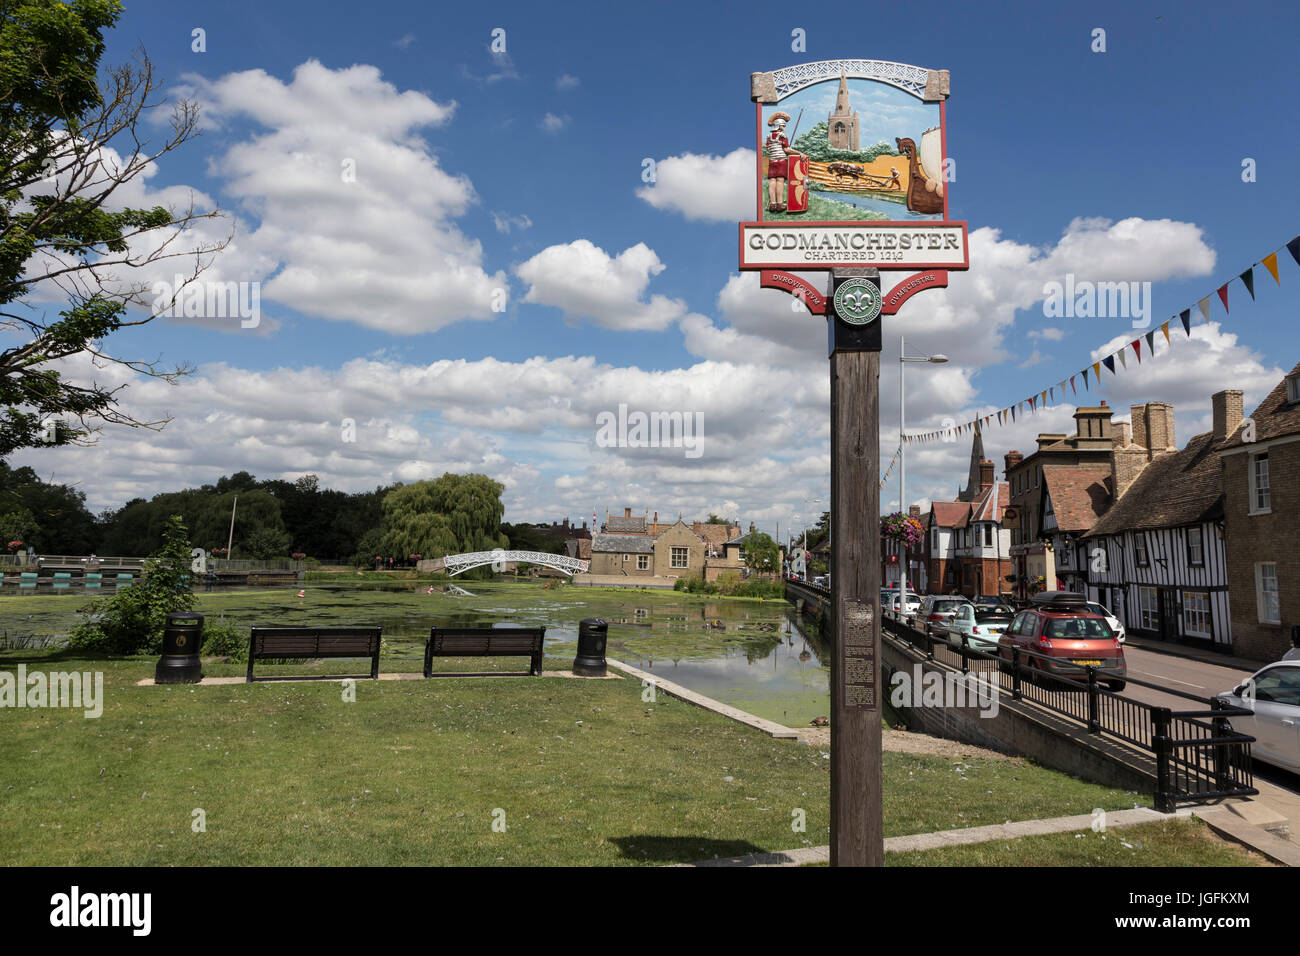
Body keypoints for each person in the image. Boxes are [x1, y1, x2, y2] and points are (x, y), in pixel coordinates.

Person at [764, 112, 797, 213]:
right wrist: (799, 153)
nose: (785, 128)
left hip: (772, 160)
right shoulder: (782, 135)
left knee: (772, 181)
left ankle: (772, 204)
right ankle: (779, 204)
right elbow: (786, 150)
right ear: (779, 126)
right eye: (784, 126)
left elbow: (768, 148)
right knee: (780, 181)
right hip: (781, 161)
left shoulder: (769, 136)